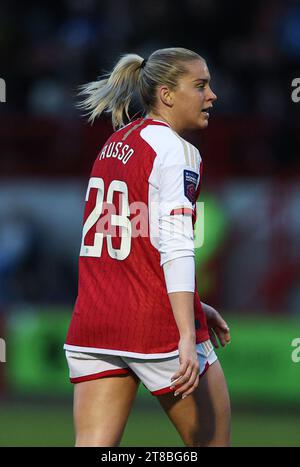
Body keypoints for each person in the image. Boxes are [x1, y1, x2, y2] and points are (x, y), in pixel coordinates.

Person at [64, 47, 231, 447]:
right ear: (167, 95)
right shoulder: (177, 151)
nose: (212, 96)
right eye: (201, 85)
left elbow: (130, 242)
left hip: (95, 325)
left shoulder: (113, 144)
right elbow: (175, 245)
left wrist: (195, 303)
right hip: (155, 329)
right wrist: (187, 335)